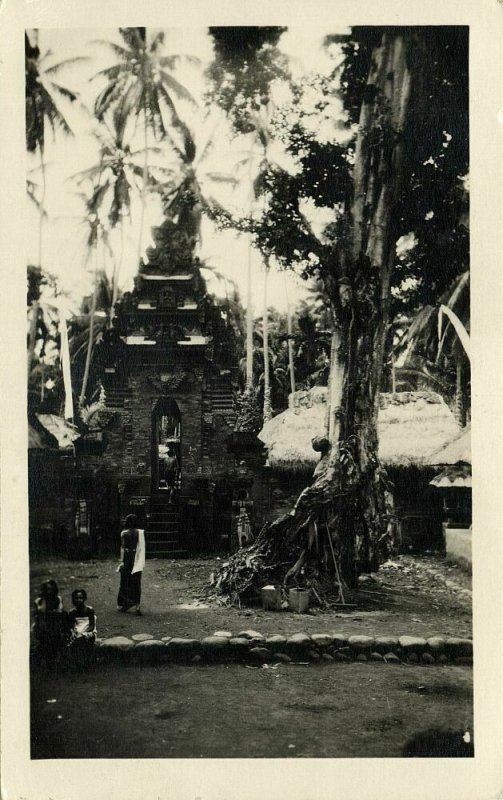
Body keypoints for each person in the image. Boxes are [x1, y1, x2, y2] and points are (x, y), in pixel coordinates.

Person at [31, 579, 69, 670]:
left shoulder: (58, 599)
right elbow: (42, 613)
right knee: (45, 624)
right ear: (43, 591)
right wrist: (44, 599)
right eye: (47, 589)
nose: (49, 592)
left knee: (59, 620)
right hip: (42, 624)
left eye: (51, 589)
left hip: (54, 623)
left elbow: (59, 612)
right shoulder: (38, 601)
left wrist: (51, 613)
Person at [116, 514, 145, 615]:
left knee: (124, 581)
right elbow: (141, 548)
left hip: (127, 558)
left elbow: (123, 548)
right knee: (137, 582)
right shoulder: (140, 533)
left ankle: (122, 604)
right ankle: (137, 606)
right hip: (136, 557)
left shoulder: (124, 533)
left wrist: (121, 561)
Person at [67, 589, 97, 667]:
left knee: (85, 638)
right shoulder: (72, 612)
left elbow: (91, 626)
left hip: (88, 630)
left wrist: (83, 633)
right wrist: (73, 631)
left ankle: (86, 660)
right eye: (76, 598)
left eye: (81, 598)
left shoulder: (89, 610)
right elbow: (72, 625)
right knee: (72, 640)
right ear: (73, 599)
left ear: (84, 599)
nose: (78, 600)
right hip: (78, 630)